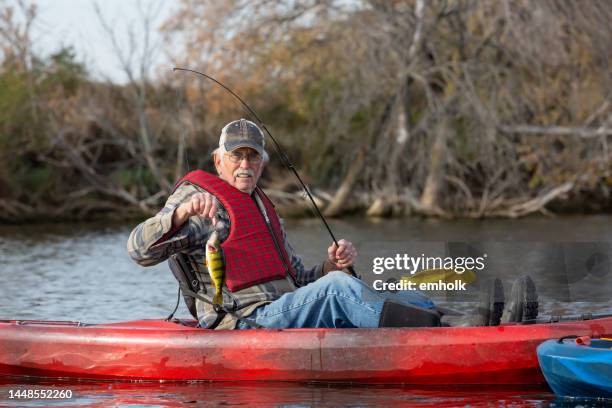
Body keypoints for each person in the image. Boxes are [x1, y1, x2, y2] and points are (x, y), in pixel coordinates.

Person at [127, 119, 537, 329]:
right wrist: (177, 215)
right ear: (219, 160)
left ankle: (477, 320)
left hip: (281, 309)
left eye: (253, 157)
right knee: (341, 291)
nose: (245, 164)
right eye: (236, 156)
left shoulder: (263, 209)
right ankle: (459, 331)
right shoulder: (202, 204)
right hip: (241, 321)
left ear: (263, 163)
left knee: (368, 285)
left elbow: (299, 280)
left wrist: (327, 269)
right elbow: (138, 250)